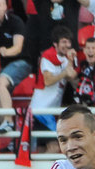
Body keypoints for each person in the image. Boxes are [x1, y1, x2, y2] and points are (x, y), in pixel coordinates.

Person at [30, 25, 77, 153]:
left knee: (41, 149)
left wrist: (71, 62)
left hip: (49, 111)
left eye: (68, 42)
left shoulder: (67, 58)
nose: (67, 45)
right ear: (55, 44)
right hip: (40, 110)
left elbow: (73, 79)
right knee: (55, 147)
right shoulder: (48, 55)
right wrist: (64, 72)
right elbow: (48, 80)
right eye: (63, 41)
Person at [0, 0, 29, 135]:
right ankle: (11, 138)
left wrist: (6, 51)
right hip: (6, 66)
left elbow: (18, 48)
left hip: (23, 61)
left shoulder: (15, 21)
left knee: (0, 83)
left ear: (5, 7)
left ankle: (9, 121)